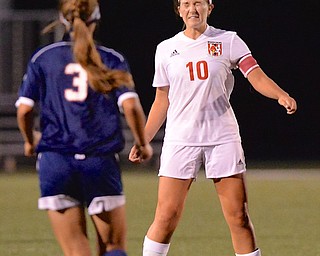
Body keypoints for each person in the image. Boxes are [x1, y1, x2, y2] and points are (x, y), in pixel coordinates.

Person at [129, 0, 297, 255]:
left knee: (239, 217)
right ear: (179, 9)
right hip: (180, 139)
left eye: (198, 2)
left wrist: (280, 95)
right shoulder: (166, 49)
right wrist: (144, 140)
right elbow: (161, 100)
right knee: (166, 217)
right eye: (186, 3)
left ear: (210, 6)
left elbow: (256, 75)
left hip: (222, 137)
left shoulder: (229, 40)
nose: (192, 8)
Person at [16, 0, 153, 255]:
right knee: (113, 247)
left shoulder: (43, 58)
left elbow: (24, 109)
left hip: (56, 161)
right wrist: (143, 143)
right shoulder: (111, 58)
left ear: (63, 20)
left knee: (77, 251)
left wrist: (28, 140)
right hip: (98, 161)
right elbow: (132, 107)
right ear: (96, 19)